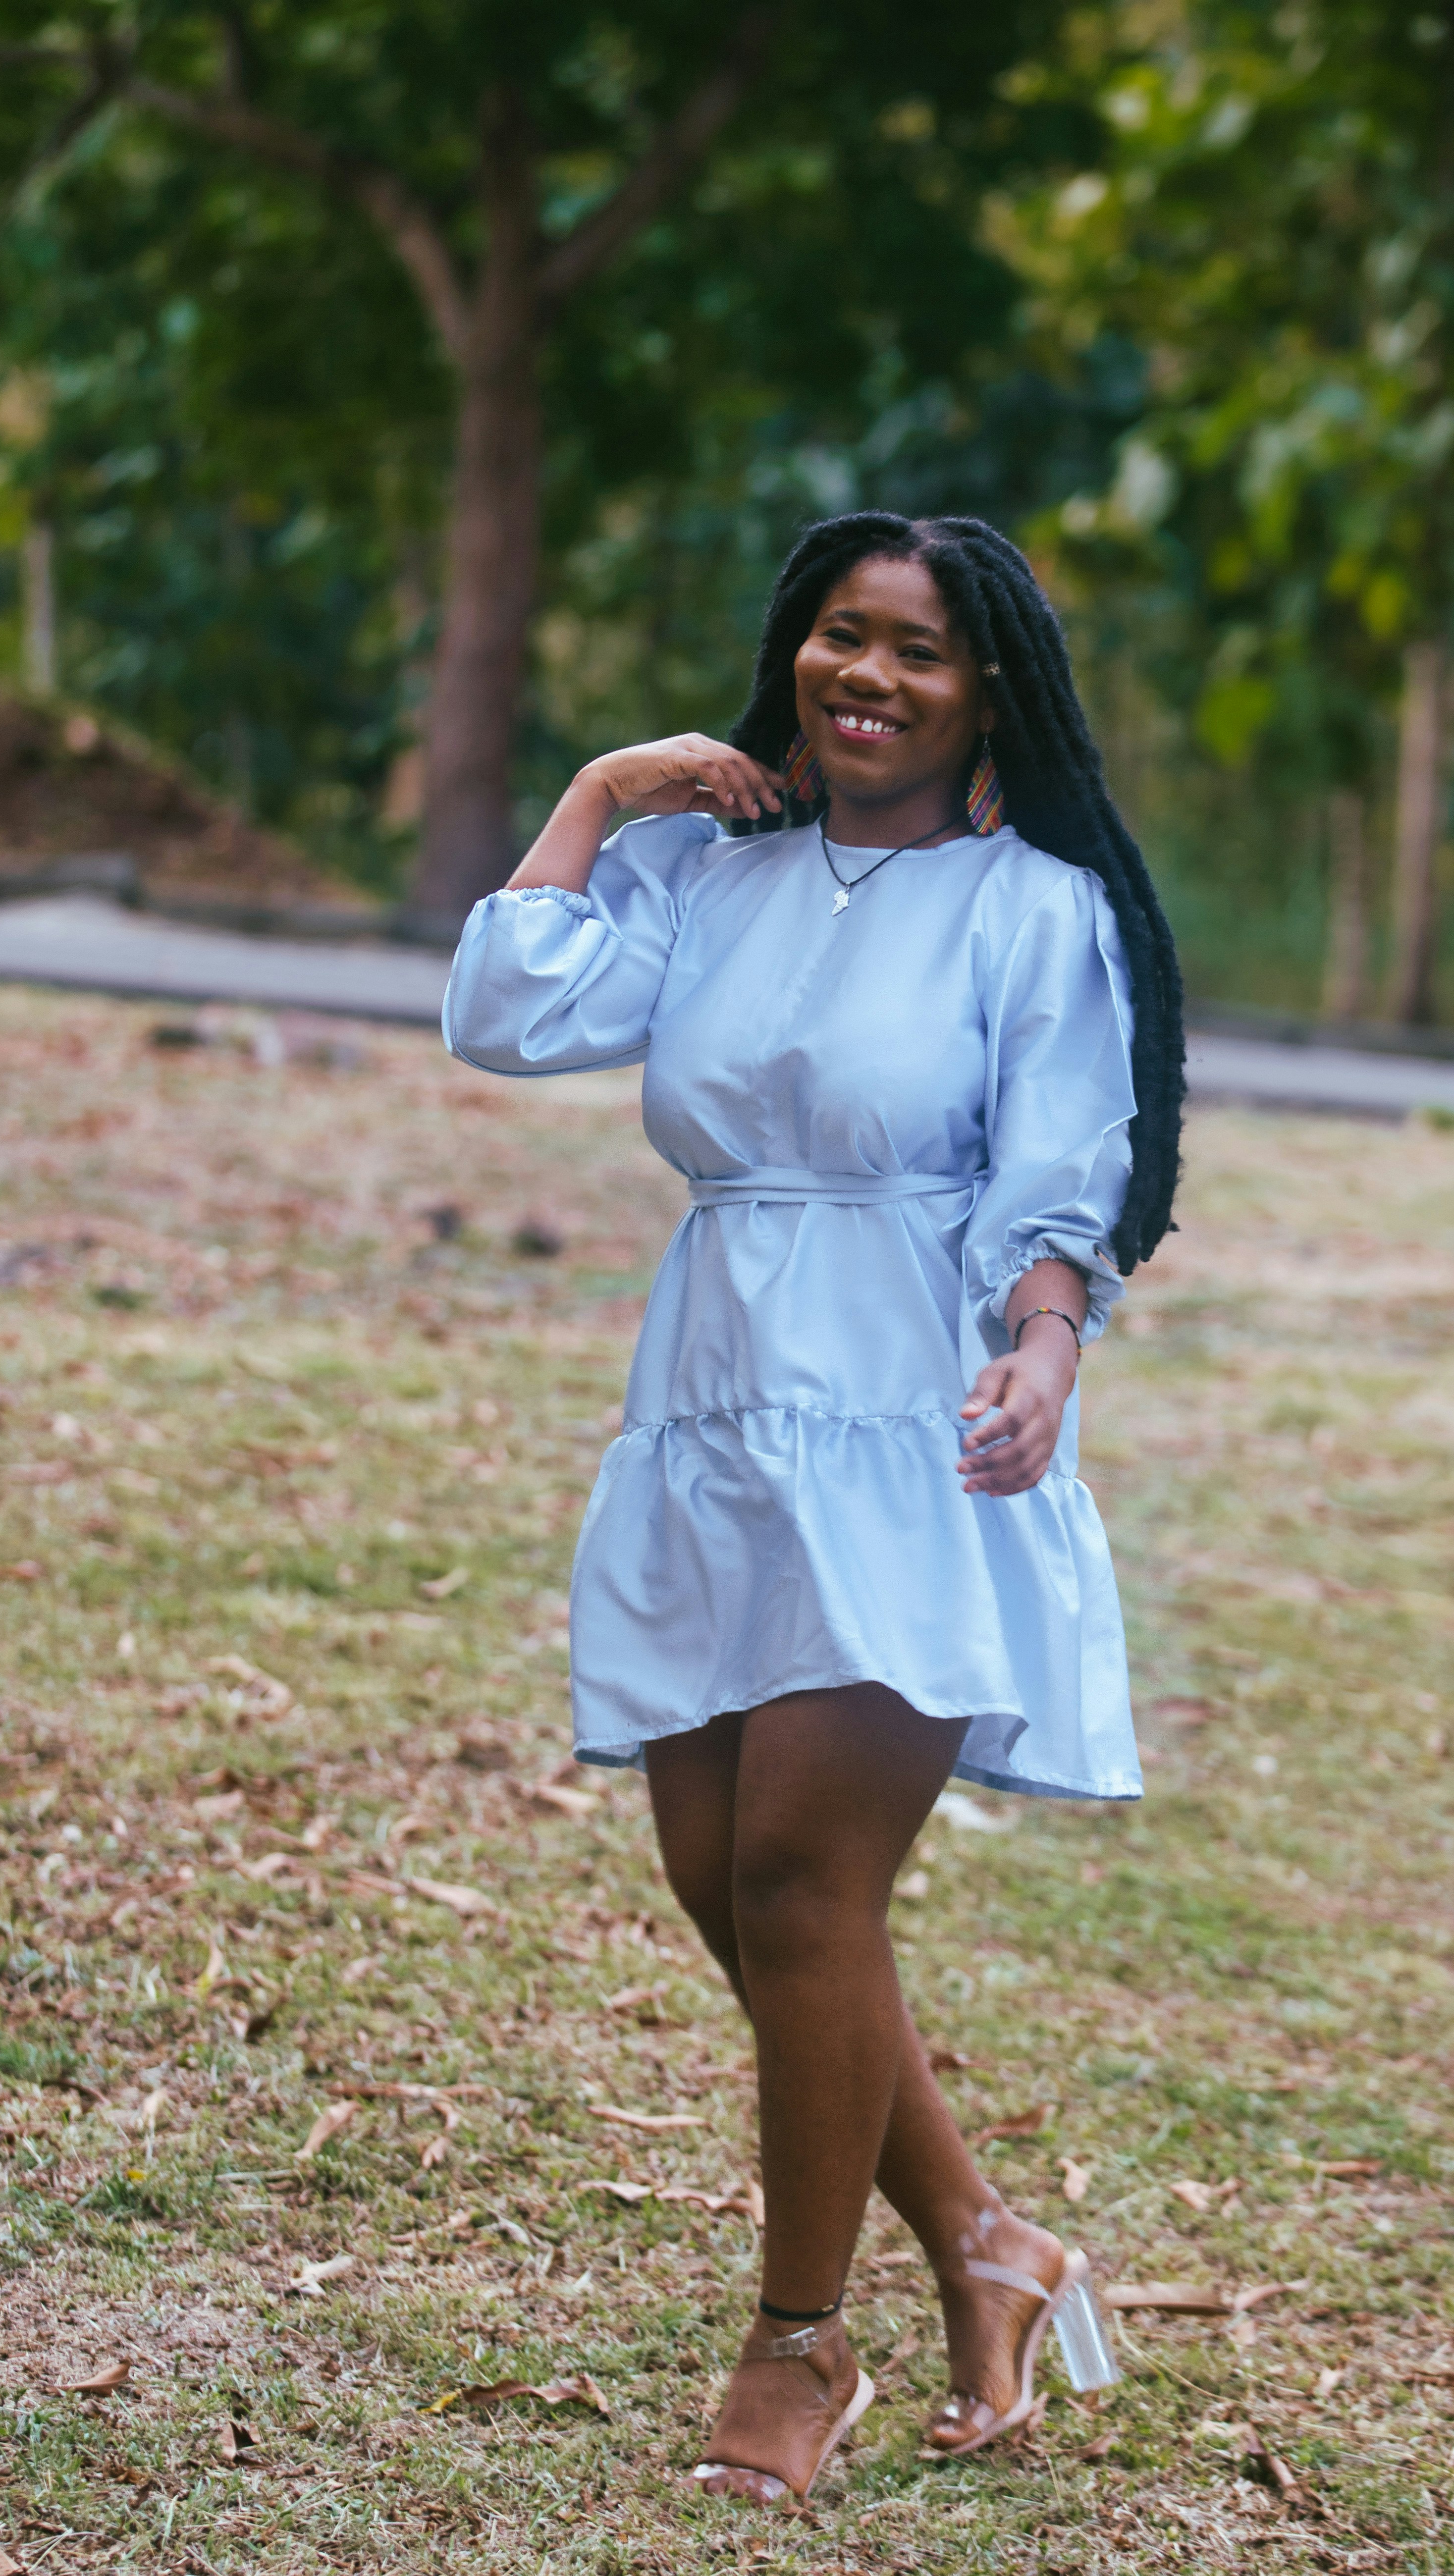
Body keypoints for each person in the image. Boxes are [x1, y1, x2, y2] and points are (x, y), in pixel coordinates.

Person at [444, 511, 1183, 2506]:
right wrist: (602, 793)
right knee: (736, 1886)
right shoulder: (708, 872)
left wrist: (1047, 1347)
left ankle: (798, 2344)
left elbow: (1063, 1163)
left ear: (989, 691)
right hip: (713, 1406)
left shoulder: (1036, 911)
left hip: (912, 1418)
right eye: (842, 636)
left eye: (918, 651)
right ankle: (989, 2244)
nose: (869, 677)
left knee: (798, 1880)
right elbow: (506, 1012)